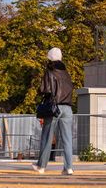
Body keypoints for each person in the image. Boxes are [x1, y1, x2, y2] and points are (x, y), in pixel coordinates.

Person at [32, 47, 75, 175]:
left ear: (49, 58)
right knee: (67, 139)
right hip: (68, 108)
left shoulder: (49, 72)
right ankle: (69, 167)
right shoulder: (67, 73)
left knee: (47, 136)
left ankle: (41, 166)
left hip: (54, 107)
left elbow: (44, 89)